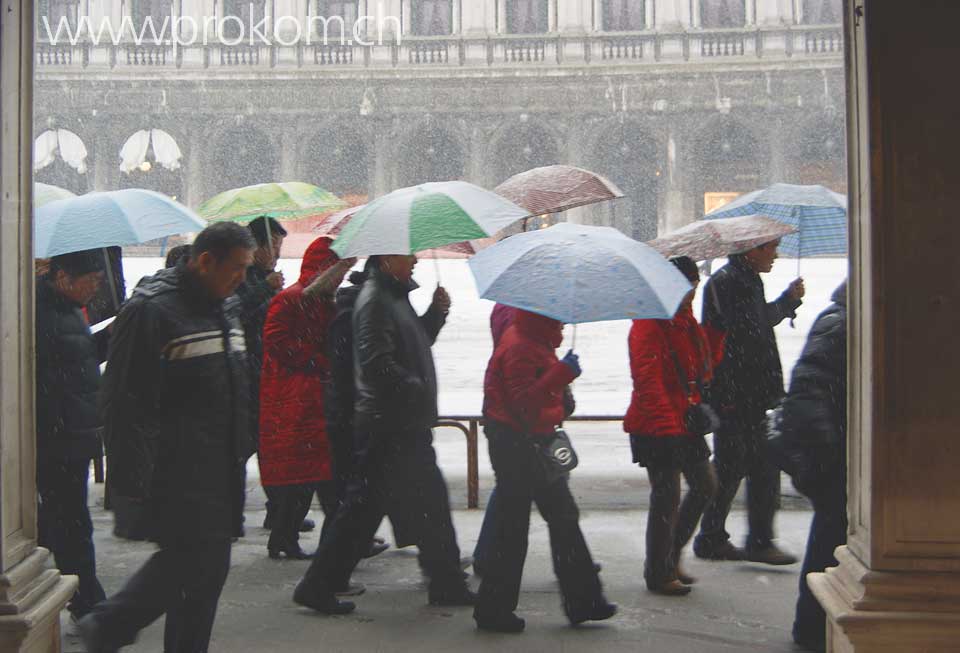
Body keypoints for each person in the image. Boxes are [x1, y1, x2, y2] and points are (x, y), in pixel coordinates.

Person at [78, 223, 257, 653]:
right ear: (205, 261)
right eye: (236, 268)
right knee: (194, 562)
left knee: (205, 574)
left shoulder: (226, 305)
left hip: (220, 465)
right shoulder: (151, 310)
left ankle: (115, 625)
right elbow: (123, 402)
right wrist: (131, 484)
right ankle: (107, 622)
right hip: (174, 469)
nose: (241, 279)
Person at [293, 254, 474, 614]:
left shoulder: (393, 296)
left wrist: (436, 314)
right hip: (391, 425)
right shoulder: (375, 300)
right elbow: (376, 362)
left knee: (407, 507)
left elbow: (415, 342)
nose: (415, 259)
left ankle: (445, 581)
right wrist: (415, 387)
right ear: (387, 257)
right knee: (395, 507)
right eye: (407, 254)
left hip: (398, 422)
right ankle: (443, 582)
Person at [474, 309, 616, 633]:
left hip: (534, 441)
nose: (566, 320)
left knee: (563, 518)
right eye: (560, 314)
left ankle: (585, 601)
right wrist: (560, 376)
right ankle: (494, 610)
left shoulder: (537, 340)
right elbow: (522, 403)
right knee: (514, 529)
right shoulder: (521, 344)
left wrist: (561, 394)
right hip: (516, 445)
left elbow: (539, 397)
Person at [693, 239, 804, 565]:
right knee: (735, 467)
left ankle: (742, 538)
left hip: (746, 392)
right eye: (771, 248)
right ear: (751, 251)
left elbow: (755, 324)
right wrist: (785, 303)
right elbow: (749, 331)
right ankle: (720, 537)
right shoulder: (728, 282)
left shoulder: (743, 280)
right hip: (735, 393)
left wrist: (785, 302)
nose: (776, 254)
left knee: (755, 466)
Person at [624, 256, 720, 596]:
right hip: (656, 425)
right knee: (666, 499)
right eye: (686, 285)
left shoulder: (685, 320)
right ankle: (659, 571)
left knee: (706, 485)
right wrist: (667, 426)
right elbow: (648, 381)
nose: (692, 292)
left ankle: (671, 555)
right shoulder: (649, 324)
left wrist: (716, 334)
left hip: (685, 419)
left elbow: (702, 368)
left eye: (695, 285)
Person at [258, 237, 355, 559]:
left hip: (313, 399)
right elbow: (275, 342)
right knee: (307, 476)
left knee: (314, 475)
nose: (342, 277)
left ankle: (311, 539)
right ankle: (302, 540)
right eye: (339, 270)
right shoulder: (290, 300)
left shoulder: (325, 301)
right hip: (295, 400)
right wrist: (319, 362)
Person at [35, 249, 108, 623]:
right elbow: (50, 378)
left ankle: (82, 593)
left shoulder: (66, 310)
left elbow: (80, 360)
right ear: (63, 276)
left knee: (63, 521)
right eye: (90, 281)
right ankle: (86, 597)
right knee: (70, 521)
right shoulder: (40, 313)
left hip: (75, 434)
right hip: (58, 438)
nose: (93, 289)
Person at [778, 280, 848, 652]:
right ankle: (811, 628)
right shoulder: (841, 323)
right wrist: (828, 454)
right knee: (829, 545)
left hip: (838, 456)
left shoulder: (846, 320)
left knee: (830, 543)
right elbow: (809, 387)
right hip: (835, 459)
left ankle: (812, 626)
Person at [236, 217, 313, 534]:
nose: (278, 253)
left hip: (266, 373)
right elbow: (238, 314)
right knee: (244, 449)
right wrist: (262, 291)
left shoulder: (265, 278)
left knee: (270, 449)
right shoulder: (241, 277)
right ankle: (234, 516)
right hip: (247, 374)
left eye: (281, 246)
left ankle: (278, 513)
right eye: (275, 246)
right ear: (257, 247)